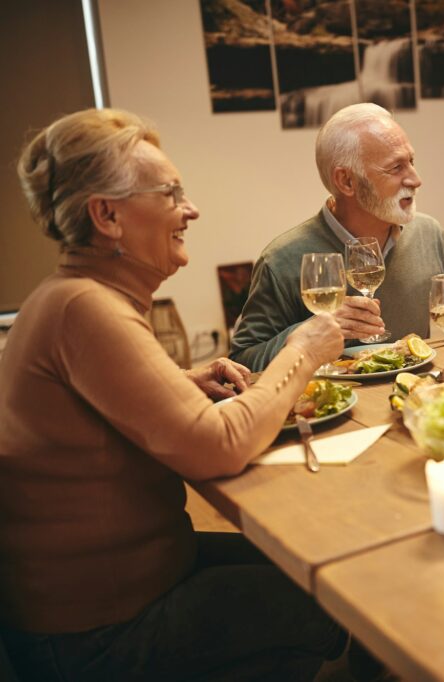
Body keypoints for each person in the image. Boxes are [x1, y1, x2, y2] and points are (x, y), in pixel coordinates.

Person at [0, 109, 362, 681]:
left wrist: (181, 383)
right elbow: (220, 445)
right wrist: (306, 347)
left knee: (317, 569)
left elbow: (96, 417)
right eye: (170, 194)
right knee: (325, 602)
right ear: (107, 216)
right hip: (94, 633)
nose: (189, 210)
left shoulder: (73, 297)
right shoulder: (85, 308)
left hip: (134, 582)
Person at [230, 102, 444, 372]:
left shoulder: (425, 231)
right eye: (396, 168)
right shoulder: (284, 259)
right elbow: (244, 360)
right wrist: (307, 334)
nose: (415, 178)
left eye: (411, 161)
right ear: (347, 181)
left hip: (413, 404)